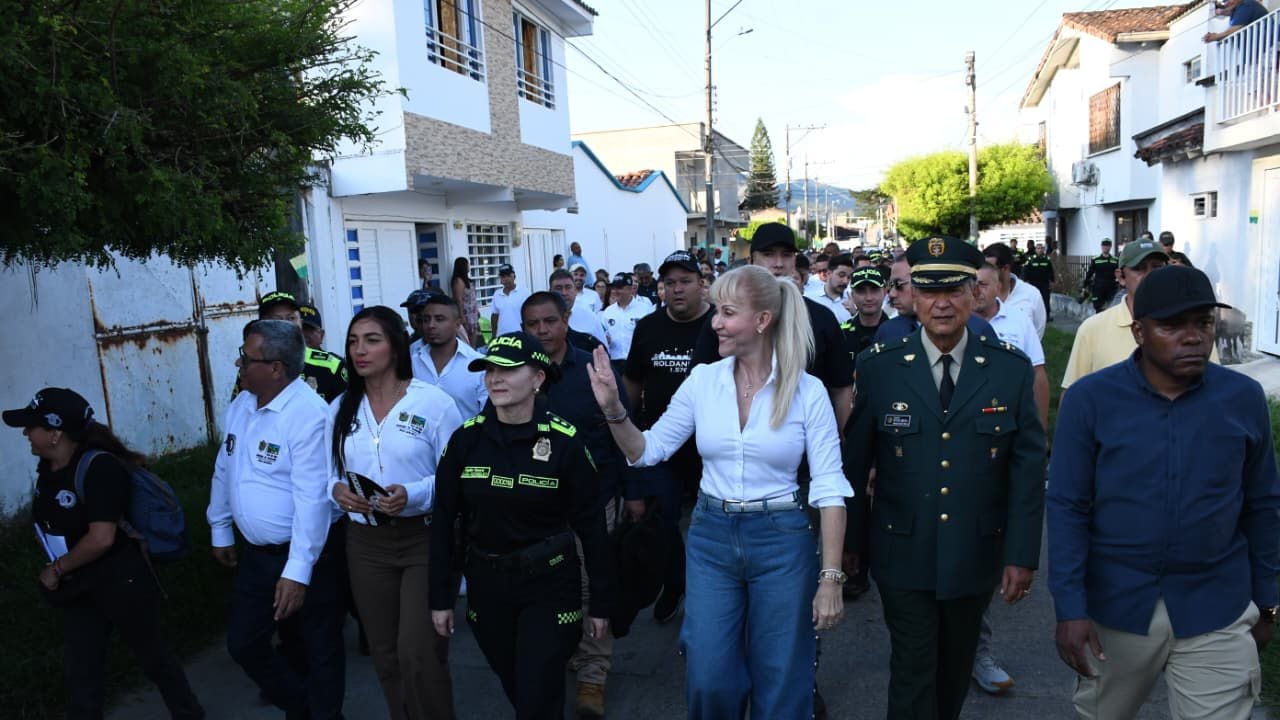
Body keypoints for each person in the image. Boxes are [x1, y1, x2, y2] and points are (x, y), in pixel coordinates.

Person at [588, 264, 851, 718]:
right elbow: (647, 450)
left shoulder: (807, 392)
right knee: (708, 677)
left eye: (728, 312)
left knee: (783, 679)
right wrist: (614, 408)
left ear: (763, 320)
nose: (715, 322)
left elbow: (829, 487)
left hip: (783, 539)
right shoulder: (703, 381)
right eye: (717, 311)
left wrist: (830, 579)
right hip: (711, 537)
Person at [1049, 264, 1280, 719]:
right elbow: (1067, 507)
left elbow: (1263, 502)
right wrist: (1070, 607)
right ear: (1139, 331)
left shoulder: (1243, 398)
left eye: (1203, 323)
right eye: (1172, 326)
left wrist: (1267, 597)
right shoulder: (1090, 400)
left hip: (1217, 604)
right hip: (1116, 608)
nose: (1192, 337)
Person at [845, 236, 1045, 720]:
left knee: (954, 670)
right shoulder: (880, 367)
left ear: (976, 294)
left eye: (954, 290)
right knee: (914, 667)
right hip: (901, 547)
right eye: (927, 290)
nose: (941, 303)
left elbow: (1027, 467)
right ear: (912, 295)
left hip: (974, 550)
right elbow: (855, 461)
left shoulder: (1008, 369)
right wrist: (851, 546)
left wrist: (1021, 555)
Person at [429, 332, 614, 720]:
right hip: (487, 584)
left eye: (508, 369)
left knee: (535, 692)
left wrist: (601, 602)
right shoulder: (465, 440)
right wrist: (441, 597)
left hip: (549, 585)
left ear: (538, 378)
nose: (495, 378)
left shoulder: (564, 440)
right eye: (490, 369)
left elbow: (593, 527)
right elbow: (444, 520)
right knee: (520, 686)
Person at [9, 388, 204, 720]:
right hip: (79, 585)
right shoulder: (48, 469)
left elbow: (101, 538)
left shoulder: (100, 468)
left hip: (119, 581)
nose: (26, 433)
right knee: (82, 674)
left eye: (32, 426)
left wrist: (55, 570)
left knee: (154, 658)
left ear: (56, 433)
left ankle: (189, 715)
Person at [326, 307, 463, 720]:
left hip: (424, 540)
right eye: (353, 341)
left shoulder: (434, 403)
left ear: (396, 346)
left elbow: (459, 480)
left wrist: (415, 494)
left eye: (371, 340)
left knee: (418, 653)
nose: (359, 351)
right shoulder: (341, 407)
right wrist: (337, 492)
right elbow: (323, 474)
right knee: (385, 656)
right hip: (366, 545)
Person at [207, 319, 347, 719]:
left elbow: (312, 500)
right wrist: (220, 528)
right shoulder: (241, 405)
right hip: (257, 555)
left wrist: (297, 572)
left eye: (247, 359)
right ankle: (304, 709)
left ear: (276, 367)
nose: (238, 364)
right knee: (244, 644)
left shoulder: (308, 415)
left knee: (317, 647)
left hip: (308, 555)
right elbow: (225, 467)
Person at [519, 292, 632, 718]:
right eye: (533, 324)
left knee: (592, 586)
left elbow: (622, 431)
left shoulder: (593, 370)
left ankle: (593, 676)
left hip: (594, 500)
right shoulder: (513, 370)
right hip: (535, 506)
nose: (542, 330)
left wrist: (632, 493)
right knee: (551, 588)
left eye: (550, 321)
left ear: (566, 320)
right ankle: (567, 653)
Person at [622, 250, 714, 623]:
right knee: (661, 521)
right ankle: (675, 581)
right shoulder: (647, 327)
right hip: (661, 444)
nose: (677, 290)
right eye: (670, 283)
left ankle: (711, 591)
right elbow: (632, 380)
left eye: (685, 281)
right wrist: (626, 424)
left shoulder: (719, 324)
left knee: (710, 521)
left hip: (711, 444)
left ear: (701, 284)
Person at [1061, 238, 1220, 389]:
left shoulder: (1191, 329)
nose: (1150, 275)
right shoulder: (1092, 329)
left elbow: (1214, 385)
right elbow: (1072, 394)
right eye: (1139, 268)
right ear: (1121, 277)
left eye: (1157, 267)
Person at [875, 254, 996, 343]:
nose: (892, 294)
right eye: (891, 285)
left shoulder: (979, 329)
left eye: (898, 285)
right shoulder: (889, 331)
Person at [255, 291, 348, 403]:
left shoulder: (332, 367)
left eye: (291, 318)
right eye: (275, 320)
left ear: (300, 323)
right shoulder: (251, 367)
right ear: (260, 326)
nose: (285, 325)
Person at [408, 294, 487, 420]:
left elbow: (486, 415)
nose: (431, 325)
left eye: (439, 319)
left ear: (457, 324)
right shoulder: (412, 362)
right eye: (426, 320)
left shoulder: (478, 365)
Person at [982, 242, 1046, 338]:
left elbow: (1038, 331)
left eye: (990, 268)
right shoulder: (980, 293)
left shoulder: (1031, 295)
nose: (985, 272)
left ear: (1005, 268)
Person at [839, 266, 889, 371]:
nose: (868, 298)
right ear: (852, 295)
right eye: (861, 291)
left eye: (874, 290)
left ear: (885, 292)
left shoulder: (899, 332)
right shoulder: (840, 333)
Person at [600, 273, 653, 366]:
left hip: (639, 362)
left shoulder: (644, 309)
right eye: (614, 288)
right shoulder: (608, 312)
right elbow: (603, 335)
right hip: (615, 362)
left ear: (630, 288)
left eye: (619, 288)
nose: (615, 291)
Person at [549, 268, 606, 350]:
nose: (564, 293)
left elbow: (603, 351)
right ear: (550, 291)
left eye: (568, 287)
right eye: (558, 288)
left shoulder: (590, 318)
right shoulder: (541, 320)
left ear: (575, 291)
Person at [806, 252, 854, 323]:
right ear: (829, 274)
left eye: (849, 277)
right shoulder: (810, 298)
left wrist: (855, 314)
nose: (845, 281)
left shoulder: (853, 301)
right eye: (841, 275)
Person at [490, 264, 530, 338]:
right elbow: (494, 316)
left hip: (520, 336)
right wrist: (493, 336)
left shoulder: (524, 292)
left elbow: (530, 314)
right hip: (501, 337)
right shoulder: (497, 294)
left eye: (508, 275)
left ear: (514, 276)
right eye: (503, 277)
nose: (506, 279)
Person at [1021, 242, 1056, 323]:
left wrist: (1052, 280)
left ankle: (1047, 316)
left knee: (1046, 299)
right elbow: (1026, 270)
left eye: (1041, 248)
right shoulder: (1031, 259)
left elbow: (1050, 270)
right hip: (1034, 283)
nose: (1040, 250)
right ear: (1035, 250)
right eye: (1038, 248)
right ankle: (1033, 316)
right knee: (1033, 300)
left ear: (1043, 249)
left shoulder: (1046, 259)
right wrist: (1025, 280)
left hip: (1044, 283)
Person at [1082, 240, 1120, 313]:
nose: (1105, 247)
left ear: (1110, 247)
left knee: (1111, 308)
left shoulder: (1115, 260)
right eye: (1104, 245)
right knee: (1098, 308)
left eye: (1107, 245)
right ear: (1101, 247)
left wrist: (1120, 282)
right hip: (1098, 287)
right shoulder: (1096, 259)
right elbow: (1089, 273)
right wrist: (1084, 286)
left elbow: (1119, 272)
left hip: (1111, 287)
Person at [1204, 0, 1269, 42]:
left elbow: (1234, 29)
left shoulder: (1246, 4)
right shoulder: (1236, 12)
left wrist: (1215, 36)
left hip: (1268, 46)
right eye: (1224, 1)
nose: (1226, 3)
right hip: (1257, 53)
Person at [451, 258, 481, 346]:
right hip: (466, 314)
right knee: (467, 341)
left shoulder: (466, 280)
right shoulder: (458, 281)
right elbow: (458, 299)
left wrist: (477, 311)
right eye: (467, 264)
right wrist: (461, 316)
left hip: (472, 313)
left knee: (474, 340)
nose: (469, 266)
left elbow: (472, 297)